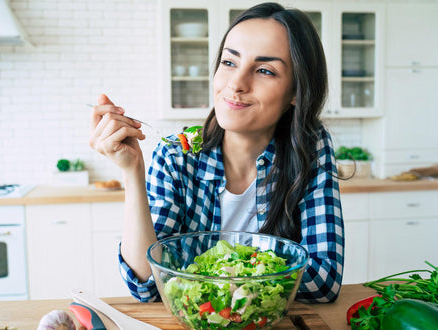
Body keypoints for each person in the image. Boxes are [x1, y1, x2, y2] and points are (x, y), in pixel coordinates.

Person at [89, 2, 344, 303]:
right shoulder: (175, 155)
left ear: (297, 92)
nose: (235, 84)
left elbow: (324, 279)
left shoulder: (311, 148)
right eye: (229, 62)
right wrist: (131, 171)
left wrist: (197, 279)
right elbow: (146, 284)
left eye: (264, 70)